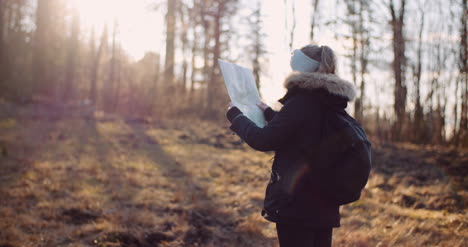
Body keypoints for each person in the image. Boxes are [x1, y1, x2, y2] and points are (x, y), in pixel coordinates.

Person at [225, 45, 358, 247]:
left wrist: (236, 117)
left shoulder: (302, 101)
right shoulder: (330, 100)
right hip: (325, 201)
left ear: (305, 65)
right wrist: (269, 112)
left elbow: (263, 140)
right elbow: (306, 130)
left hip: (298, 203)